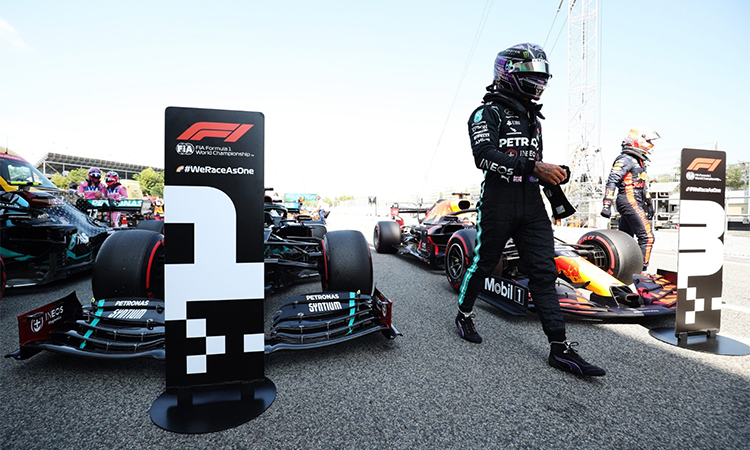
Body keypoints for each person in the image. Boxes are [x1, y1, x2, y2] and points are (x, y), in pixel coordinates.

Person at [455, 43, 605, 376]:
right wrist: (535, 167)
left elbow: (532, 162)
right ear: (508, 74)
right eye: (531, 74)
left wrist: (554, 175)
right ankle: (464, 315)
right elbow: (484, 156)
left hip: (532, 203)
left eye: (542, 75)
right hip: (498, 202)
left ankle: (559, 347)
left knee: (543, 273)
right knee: (483, 263)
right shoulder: (485, 113)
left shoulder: (532, 117)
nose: (538, 81)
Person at [600, 128, 660, 272]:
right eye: (647, 140)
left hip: (635, 202)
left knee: (625, 239)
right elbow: (612, 181)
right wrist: (607, 204)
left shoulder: (640, 161)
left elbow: (642, 184)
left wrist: (649, 202)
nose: (650, 144)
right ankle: (641, 271)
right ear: (636, 141)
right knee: (647, 237)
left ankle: (622, 270)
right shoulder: (625, 159)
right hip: (628, 201)